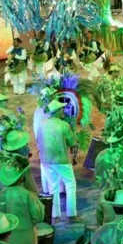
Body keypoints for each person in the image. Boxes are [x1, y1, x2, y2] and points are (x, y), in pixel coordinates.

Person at [33, 92, 78, 221]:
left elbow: (37, 140)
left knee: (53, 187)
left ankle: (55, 215)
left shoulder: (41, 124)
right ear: (57, 111)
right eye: (62, 109)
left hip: (46, 160)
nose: (63, 111)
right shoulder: (64, 125)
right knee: (70, 184)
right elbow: (72, 142)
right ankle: (71, 214)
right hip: (61, 159)